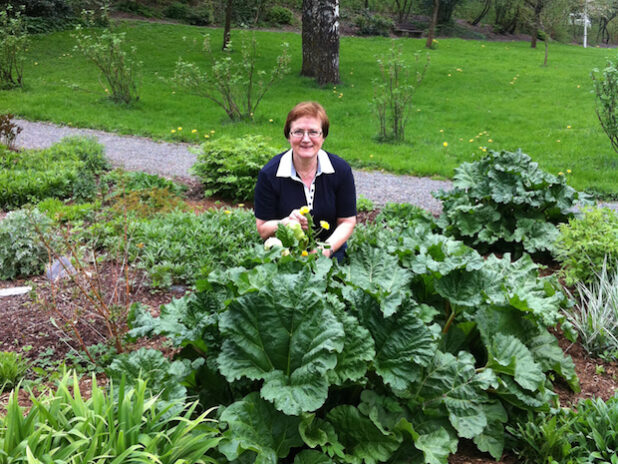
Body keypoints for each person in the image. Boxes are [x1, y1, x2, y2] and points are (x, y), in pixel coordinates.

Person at [254, 101, 356, 261]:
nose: (306, 139)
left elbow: (347, 221)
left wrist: (324, 250)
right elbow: (263, 229)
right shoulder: (270, 174)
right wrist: (286, 222)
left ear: (323, 136)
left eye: (314, 132)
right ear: (288, 136)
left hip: (331, 252)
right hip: (285, 255)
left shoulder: (341, 170)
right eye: (298, 132)